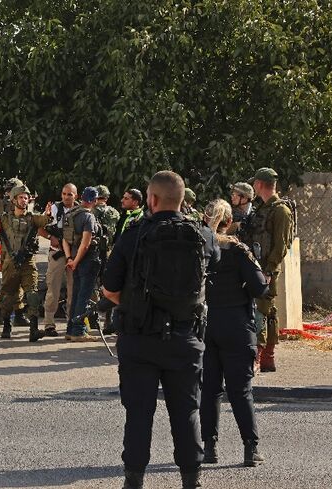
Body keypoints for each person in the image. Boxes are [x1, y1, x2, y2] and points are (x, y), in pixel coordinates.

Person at [102, 171, 220, 489]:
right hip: (186, 339)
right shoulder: (203, 235)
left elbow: (110, 289)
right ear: (182, 200)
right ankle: (191, 480)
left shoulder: (134, 234)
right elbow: (212, 275)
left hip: (139, 340)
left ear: (151, 199)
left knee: (139, 414)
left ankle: (134, 480)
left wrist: (136, 301)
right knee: (187, 411)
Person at [200, 199, 268, 468]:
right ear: (230, 222)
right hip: (236, 325)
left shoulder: (200, 249)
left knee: (209, 390)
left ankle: (209, 448)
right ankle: (250, 449)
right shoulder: (238, 250)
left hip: (206, 324)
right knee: (240, 390)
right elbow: (260, 288)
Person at [240, 167, 295, 373]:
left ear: (260, 184)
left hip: (266, 269)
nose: (253, 186)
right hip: (257, 266)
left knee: (260, 311)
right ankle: (267, 358)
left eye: (255, 183)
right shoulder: (262, 208)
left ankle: (258, 356)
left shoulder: (281, 210)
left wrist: (269, 271)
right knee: (268, 310)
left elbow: (281, 245)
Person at [0, 184, 50, 341]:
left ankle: (33, 330)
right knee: (8, 296)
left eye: (26, 197)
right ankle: (6, 326)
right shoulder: (4, 219)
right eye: (21, 197)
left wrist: (48, 214)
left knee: (32, 294)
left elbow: (45, 220)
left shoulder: (32, 218)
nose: (24, 200)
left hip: (28, 262)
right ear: (14, 199)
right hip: (10, 262)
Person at [61, 187, 102, 341]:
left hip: (73, 259)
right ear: (94, 200)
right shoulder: (88, 217)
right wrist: (77, 260)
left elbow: (64, 239)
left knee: (77, 294)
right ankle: (78, 331)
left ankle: (70, 329)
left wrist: (70, 259)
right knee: (83, 297)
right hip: (87, 260)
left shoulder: (70, 214)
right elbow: (85, 243)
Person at [41, 183, 78, 332]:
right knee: (53, 289)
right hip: (57, 253)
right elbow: (39, 227)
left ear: (76, 195)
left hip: (73, 255)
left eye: (70, 194)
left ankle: (72, 321)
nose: (66, 197)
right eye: (64, 194)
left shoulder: (80, 210)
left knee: (73, 289)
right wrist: (51, 237)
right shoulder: (54, 209)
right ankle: (49, 323)